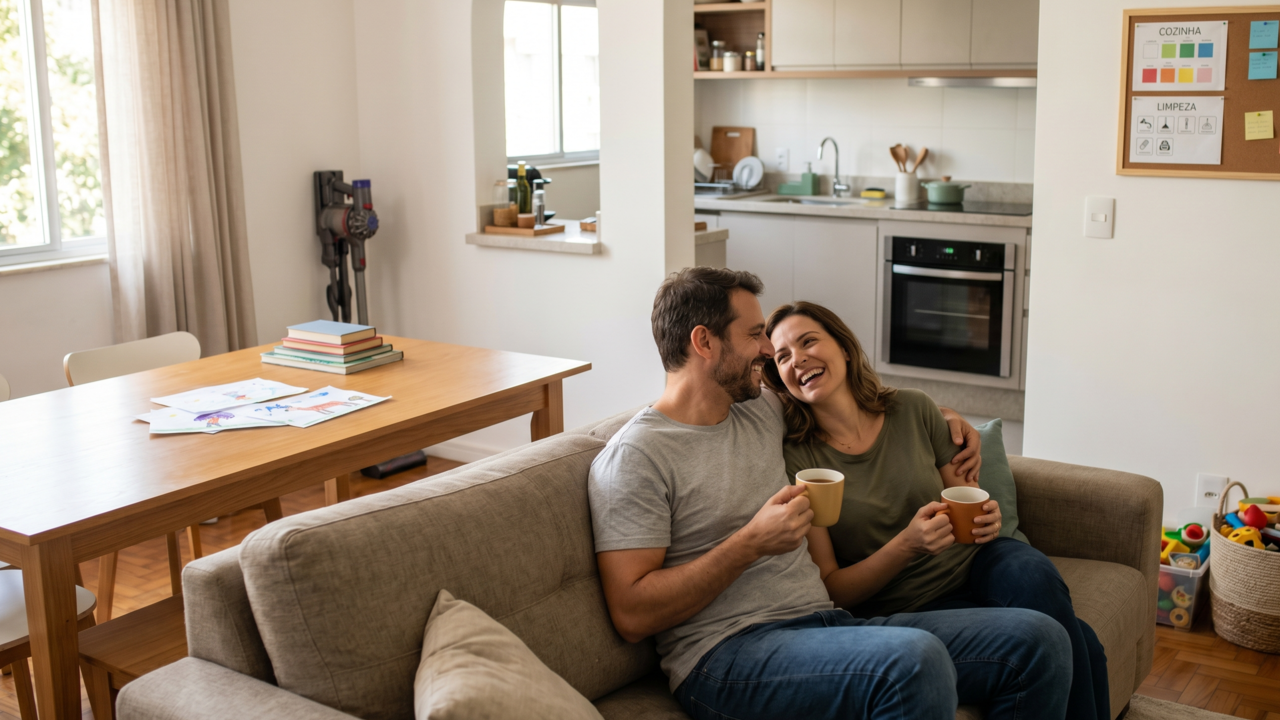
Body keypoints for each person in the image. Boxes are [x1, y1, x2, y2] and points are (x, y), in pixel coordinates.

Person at [588, 267, 1072, 720]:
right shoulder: (636, 457)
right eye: (755, 335)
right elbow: (632, 614)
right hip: (726, 655)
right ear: (704, 342)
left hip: (826, 625)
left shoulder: (758, 410)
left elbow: (844, 394)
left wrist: (942, 416)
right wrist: (750, 543)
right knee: (913, 659)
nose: (767, 351)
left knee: (1038, 639)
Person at [764, 300, 1110, 720]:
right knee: (1083, 642)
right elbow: (833, 590)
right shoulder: (799, 461)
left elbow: (964, 494)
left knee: (1034, 575)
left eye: (808, 341)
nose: (798, 359)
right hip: (904, 603)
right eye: (783, 356)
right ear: (780, 379)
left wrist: (988, 519)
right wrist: (906, 546)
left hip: (979, 563)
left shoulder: (914, 408)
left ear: (845, 347)